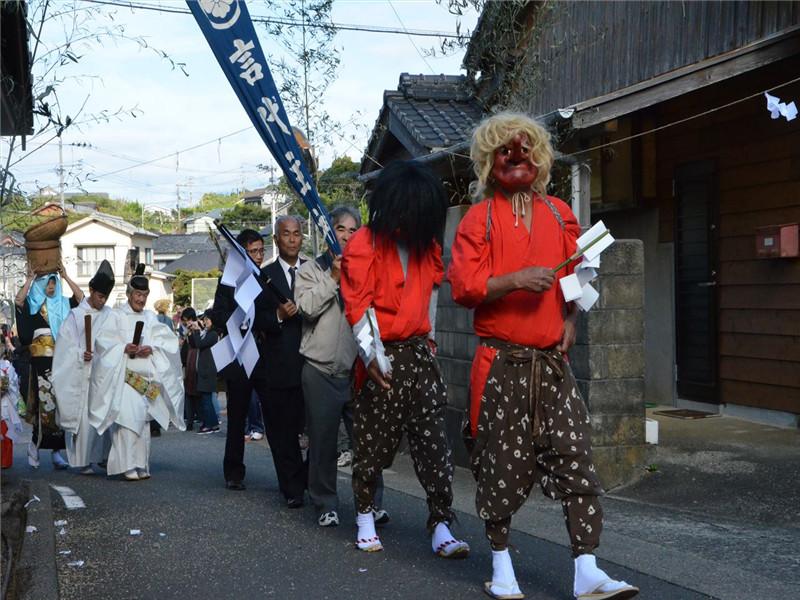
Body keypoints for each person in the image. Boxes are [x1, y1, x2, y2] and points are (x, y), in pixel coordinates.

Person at [447, 112, 639, 600]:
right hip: (500, 364)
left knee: (575, 458)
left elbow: (579, 275)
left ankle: (587, 569)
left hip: (553, 366)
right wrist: (514, 279)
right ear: (490, 163)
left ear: (541, 158)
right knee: (498, 464)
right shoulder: (479, 218)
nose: (517, 157)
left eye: (526, 148)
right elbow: (465, 288)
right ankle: (502, 565)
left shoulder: (559, 213)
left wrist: (572, 320)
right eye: (505, 151)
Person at [340, 161, 468, 558]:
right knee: (373, 444)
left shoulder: (427, 246)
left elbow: (432, 298)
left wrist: (431, 343)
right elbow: (357, 306)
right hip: (381, 356)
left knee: (433, 445)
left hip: (419, 354)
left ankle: (442, 523)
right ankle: (364, 514)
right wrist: (372, 357)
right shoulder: (364, 242)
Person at [295, 206, 387, 528]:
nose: (346, 236)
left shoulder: (366, 269)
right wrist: (333, 278)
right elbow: (305, 309)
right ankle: (325, 503)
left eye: (352, 230)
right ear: (328, 231)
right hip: (320, 370)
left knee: (366, 441)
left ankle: (371, 503)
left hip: (357, 371)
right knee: (323, 442)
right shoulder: (310, 269)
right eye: (340, 229)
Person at [212, 226, 304, 501]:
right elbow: (218, 314)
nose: (256, 256)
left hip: (266, 359)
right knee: (237, 417)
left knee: (275, 421)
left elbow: (274, 315)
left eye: (260, 251)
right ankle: (233, 472)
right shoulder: (229, 281)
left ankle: (288, 481)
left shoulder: (267, 278)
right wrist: (239, 322)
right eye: (251, 252)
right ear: (241, 254)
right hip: (240, 357)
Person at [88, 264, 184, 481]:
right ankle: (126, 465)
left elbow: (166, 342)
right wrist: (124, 348)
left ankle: (141, 464)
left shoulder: (151, 318)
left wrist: (153, 348)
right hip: (124, 376)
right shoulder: (116, 316)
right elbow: (103, 343)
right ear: (130, 294)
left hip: (145, 379)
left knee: (142, 423)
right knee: (127, 421)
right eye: (138, 294)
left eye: (144, 295)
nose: (141, 299)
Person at [259, 215, 308, 508]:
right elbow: (255, 319)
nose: (292, 239)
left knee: (319, 430)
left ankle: (306, 478)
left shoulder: (315, 271)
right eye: (286, 234)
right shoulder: (264, 275)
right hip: (278, 365)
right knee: (283, 432)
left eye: (297, 234)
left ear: (303, 238)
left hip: (313, 362)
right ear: (276, 239)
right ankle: (292, 488)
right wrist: (278, 316)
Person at [14, 266, 84, 469]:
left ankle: (56, 452)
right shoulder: (33, 306)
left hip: (62, 361)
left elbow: (80, 298)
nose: (51, 287)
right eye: (47, 283)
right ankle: (34, 446)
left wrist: (66, 276)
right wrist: (29, 280)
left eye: (54, 283)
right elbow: (18, 301)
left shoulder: (63, 305)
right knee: (43, 408)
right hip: (40, 364)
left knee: (62, 407)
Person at [52, 260, 115, 475]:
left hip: (104, 372)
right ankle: (83, 460)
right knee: (85, 419)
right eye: (100, 296)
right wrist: (81, 354)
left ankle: (106, 457)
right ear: (91, 291)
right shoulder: (76, 316)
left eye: (105, 297)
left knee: (106, 415)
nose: (102, 301)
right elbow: (64, 346)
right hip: (83, 373)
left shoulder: (110, 315)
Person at [187, 311, 220, 435]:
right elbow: (194, 344)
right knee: (205, 399)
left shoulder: (213, 334)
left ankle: (210, 425)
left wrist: (196, 330)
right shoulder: (206, 332)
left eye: (207, 319)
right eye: (204, 319)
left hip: (208, 369)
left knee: (206, 399)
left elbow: (200, 344)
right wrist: (191, 332)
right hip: (203, 369)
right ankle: (211, 423)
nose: (205, 321)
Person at [180, 307, 202, 432]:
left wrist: (192, 332)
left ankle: (198, 418)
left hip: (195, 362)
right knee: (188, 393)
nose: (186, 323)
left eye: (187, 320)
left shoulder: (197, 327)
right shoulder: (188, 329)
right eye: (184, 320)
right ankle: (190, 421)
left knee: (194, 393)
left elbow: (196, 344)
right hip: (188, 362)